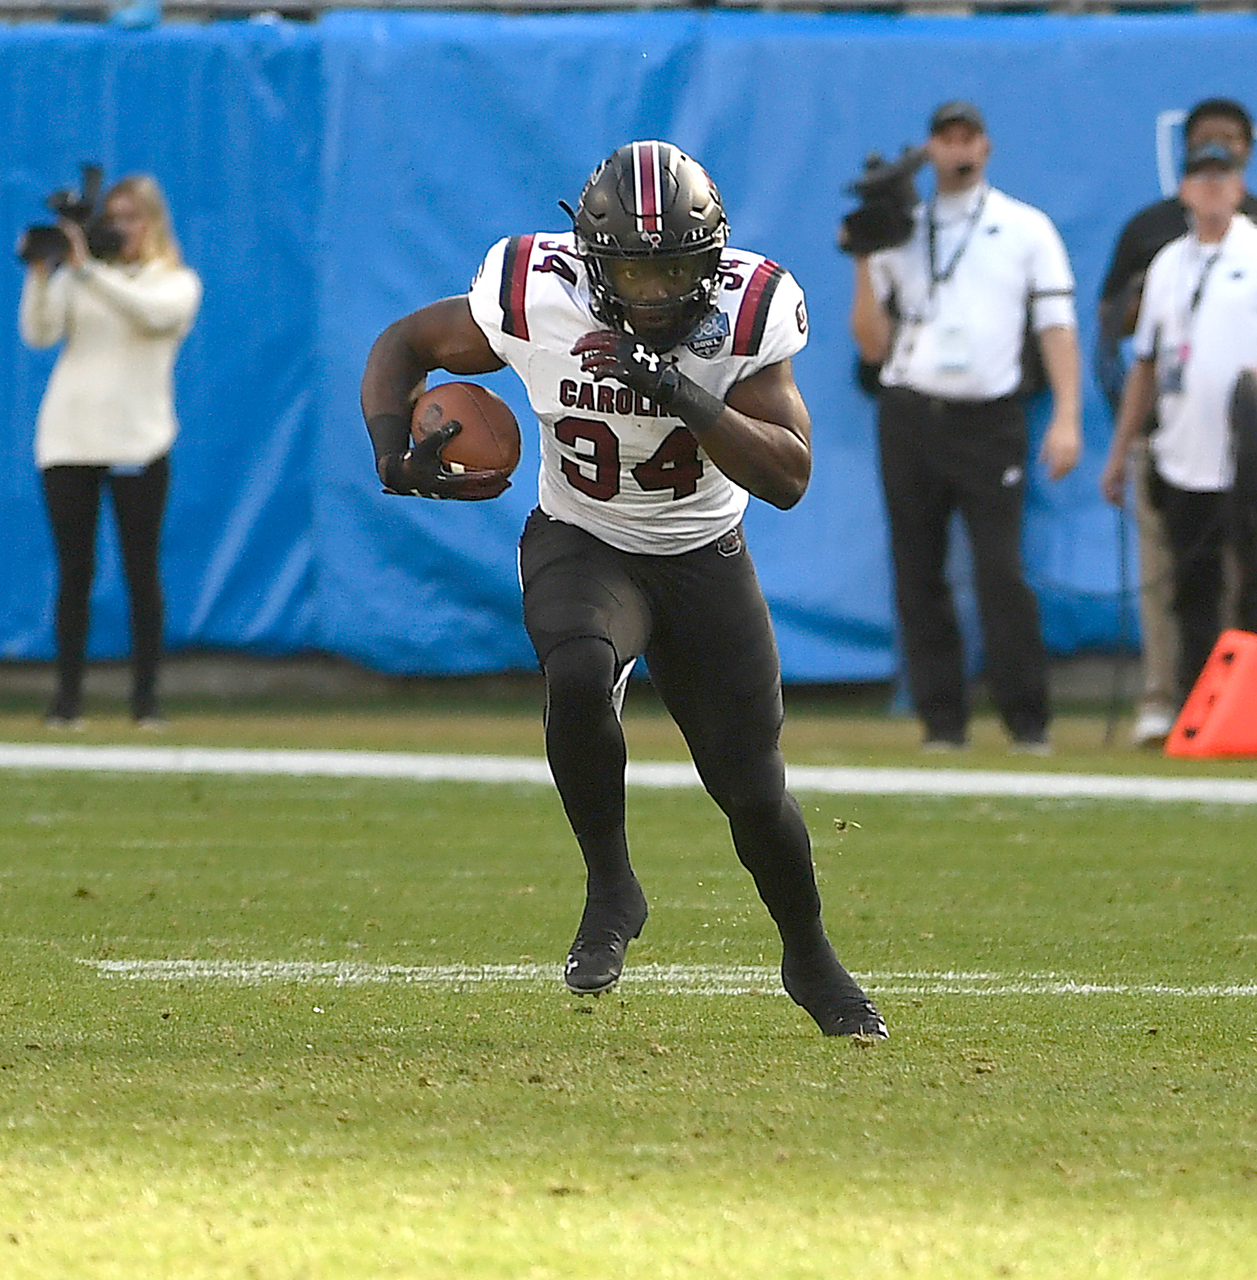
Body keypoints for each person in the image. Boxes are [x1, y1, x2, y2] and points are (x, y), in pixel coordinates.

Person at [361, 140, 888, 1040]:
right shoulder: (536, 291)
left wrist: (685, 395)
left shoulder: (747, 310)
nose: (653, 292)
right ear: (591, 259)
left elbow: (790, 477)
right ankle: (611, 887)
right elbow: (403, 344)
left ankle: (809, 957)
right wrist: (390, 452)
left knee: (751, 789)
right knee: (576, 669)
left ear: (711, 259)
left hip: (702, 554)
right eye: (634, 271)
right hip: (583, 538)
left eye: (675, 269)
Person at [848, 100, 1082, 752]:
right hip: (911, 412)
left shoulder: (1024, 227)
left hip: (990, 417)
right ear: (929, 149)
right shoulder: (901, 229)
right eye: (946, 139)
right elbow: (871, 345)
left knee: (999, 572)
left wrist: (1066, 415)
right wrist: (862, 257)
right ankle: (941, 723)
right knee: (916, 571)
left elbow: (1055, 327)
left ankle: (1026, 721)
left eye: (967, 138)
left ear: (985, 146)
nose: (958, 149)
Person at [1095, 97, 1257, 747]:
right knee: (1190, 586)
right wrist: (1119, 451)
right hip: (1183, 448)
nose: (1212, 187)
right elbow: (1144, 364)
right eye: (1201, 176)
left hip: (1246, 449)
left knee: (1247, 583)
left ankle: (1243, 708)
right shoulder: (1166, 263)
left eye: (1223, 176)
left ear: (1239, 186)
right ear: (1184, 188)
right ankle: (1194, 706)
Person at [18, 174, 202, 728]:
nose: (120, 228)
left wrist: (87, 269)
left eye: (130, 217)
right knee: (75, 573)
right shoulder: (81, 277)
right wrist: (42, 273)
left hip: (138, 440)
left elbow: (153, 316)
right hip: (68, 439)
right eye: (112, 218)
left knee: (140, 571)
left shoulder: (174, 282)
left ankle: (145, 703)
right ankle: (66, 704)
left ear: (152, 222)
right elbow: (39, 333)